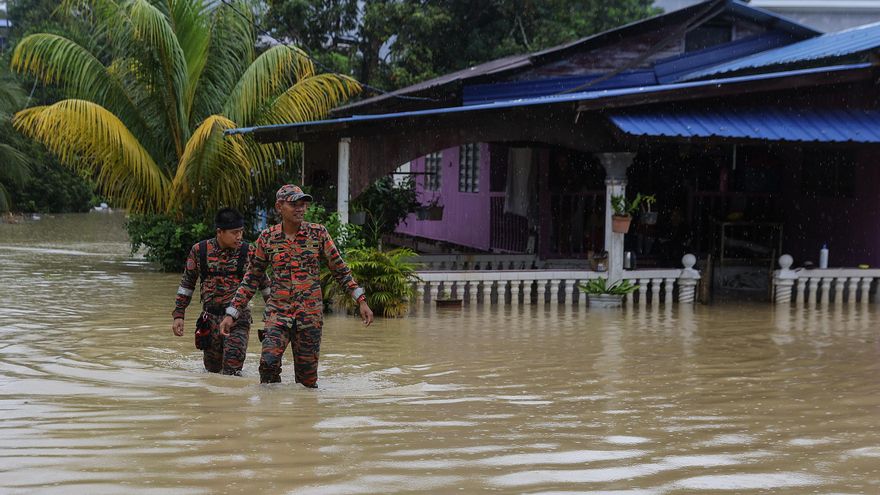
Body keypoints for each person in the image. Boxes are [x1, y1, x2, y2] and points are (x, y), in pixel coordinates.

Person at [219, 184, 374, 387]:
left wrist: (360, 300)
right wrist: (232, 313)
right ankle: (272, 413)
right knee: (268, 364)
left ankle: (303, 415)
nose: (300, 208)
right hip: (277, 315)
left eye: (303, 204)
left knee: (307, 381)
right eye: (294, 204)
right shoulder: (267, 238)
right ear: (279, 206)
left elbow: (340, 270)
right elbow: (251, 280)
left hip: (309, 317)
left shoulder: (318, 234)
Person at [171, 207, 270, 375]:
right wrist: (179, 314)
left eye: (241, 232)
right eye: (234, 232)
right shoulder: (199, 251)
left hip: (238, 319)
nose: (239, 237)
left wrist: (274, 314)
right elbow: (187, 284)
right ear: (220, 232)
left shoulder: (249, 252)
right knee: (212, 372)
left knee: (231, 370)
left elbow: (265, 285)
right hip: (209, 319)